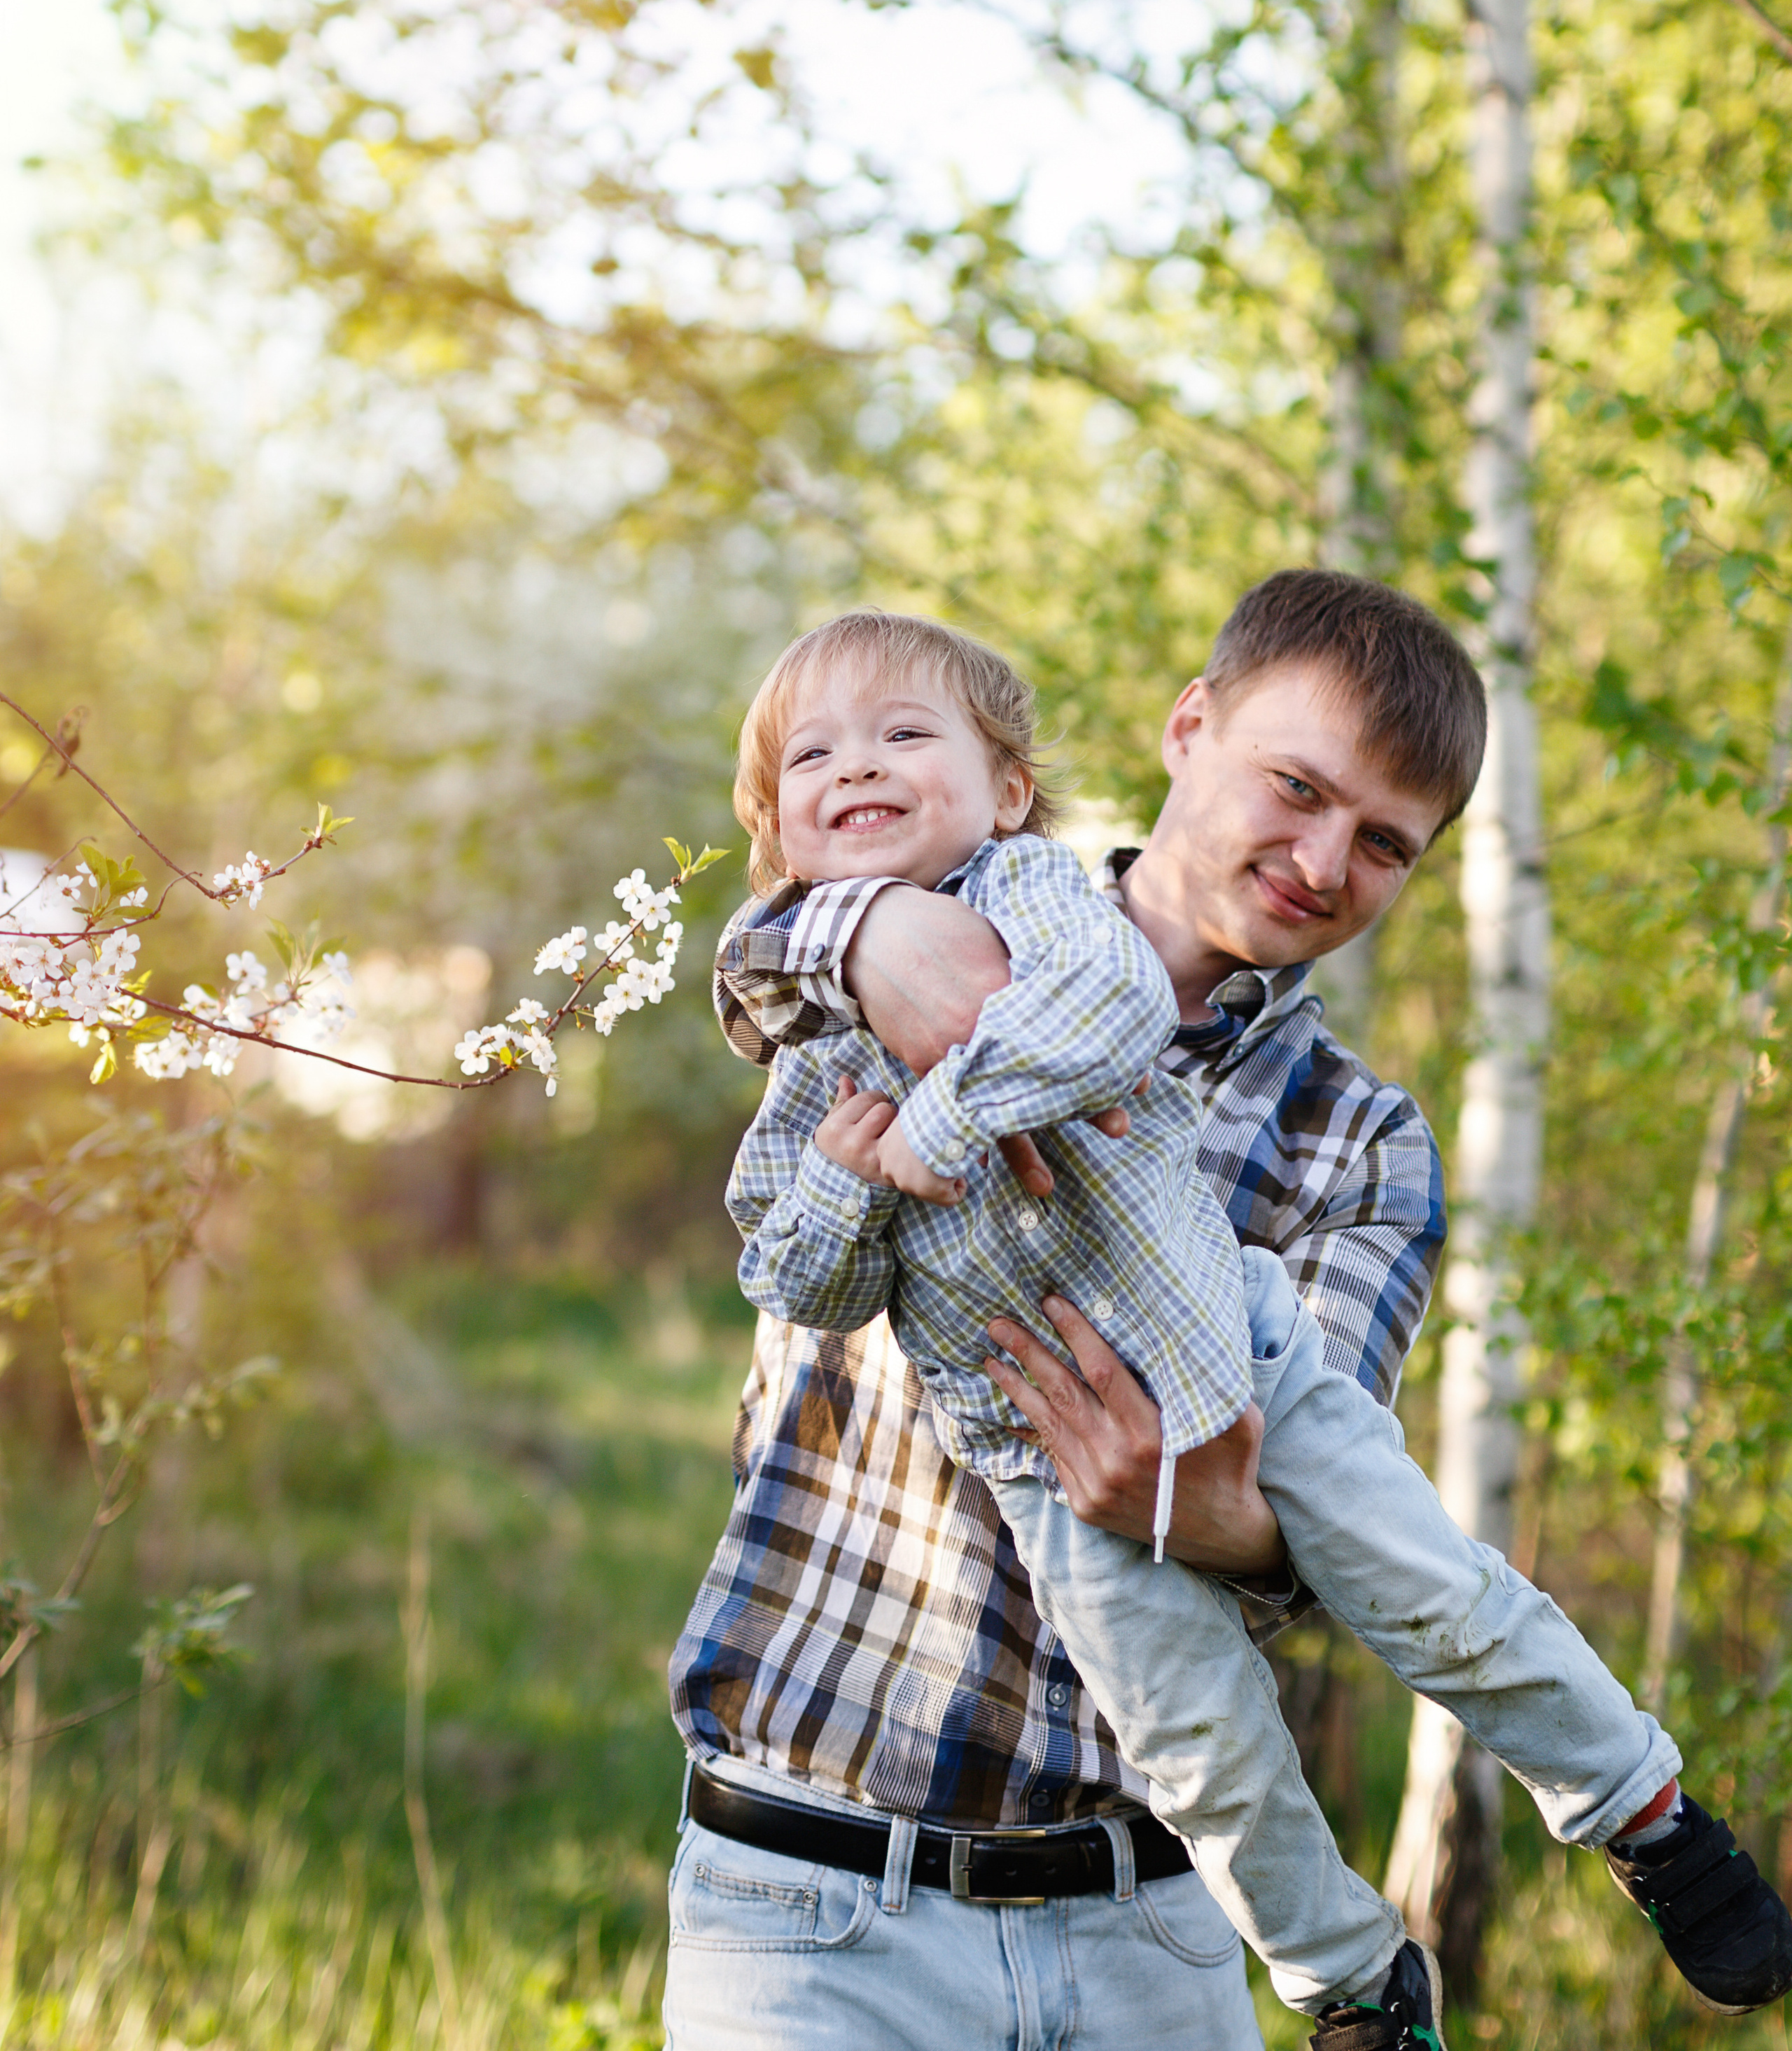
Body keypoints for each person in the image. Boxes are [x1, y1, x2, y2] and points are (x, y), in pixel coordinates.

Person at [667, 575, 1792, 2050]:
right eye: (1295, 786)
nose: (1323, 860)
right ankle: (1352, 1972)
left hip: (1143, 1923)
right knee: (1205, 1727)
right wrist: (863, 952)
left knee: (1411, 1596)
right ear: (1188, 726)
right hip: (816, 1901)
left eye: (1382, 842)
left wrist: (1199, 1508)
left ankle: (1638, 1814)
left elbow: (1306, 1525)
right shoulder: (894, 911)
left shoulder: (1355, 1134)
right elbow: (762, 949)